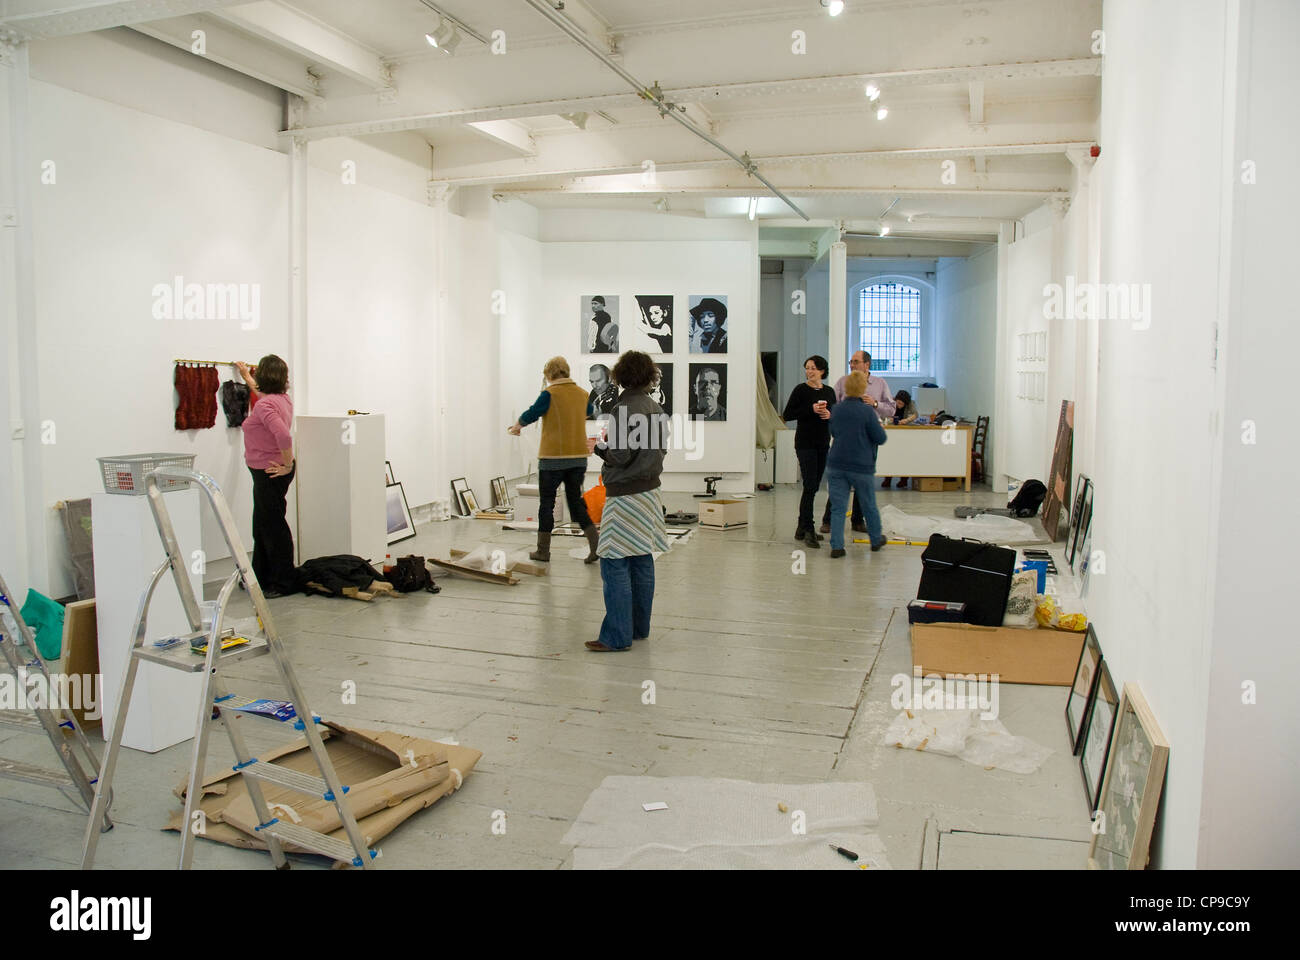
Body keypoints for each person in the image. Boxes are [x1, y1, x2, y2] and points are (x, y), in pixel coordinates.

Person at [585, 351, 668, 652]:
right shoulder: (656, 408)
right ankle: (638, 628)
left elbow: (619, 456)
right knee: (641, 556)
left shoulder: (623, 410)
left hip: (625, 496)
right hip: (650, 493)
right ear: (649, 375)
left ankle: (617, 636)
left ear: (620, 375)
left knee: (613, 559)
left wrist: (597, 449)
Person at [508, 357, 600, 563]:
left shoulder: (549, 394)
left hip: (553, 459)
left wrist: (517, 426)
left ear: (549, 374)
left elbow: (532, 413)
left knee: (546, 504)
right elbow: (589, 412)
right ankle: (595, 544)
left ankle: (543, 551)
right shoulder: (582, 394)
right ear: (566, 372)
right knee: (575, 502)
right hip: (578, 458)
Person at [236, 356, 297, 597]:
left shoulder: (265, 405)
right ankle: (261, 577)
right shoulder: (281, 400)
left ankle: (284, 582)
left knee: (272, 527)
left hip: (270, 472)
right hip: (268, 471)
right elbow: (262, 396)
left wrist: (288, 463)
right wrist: (246, 377)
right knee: (262, 525)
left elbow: (284, 436)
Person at [821, 350, 895, 530]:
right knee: (838, 479)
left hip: (868, 440)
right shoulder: (842, 383)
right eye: (850, 361)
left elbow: (891, 409)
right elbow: (834, 407)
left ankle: (857, 520)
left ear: (867, 365)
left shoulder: (880, 384)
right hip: (844, 439)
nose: (852, 365)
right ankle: (828, 520)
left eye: (855, 361)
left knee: (863, 481)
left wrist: (875, 404)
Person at [826, 371, 888, 558]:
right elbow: (880, 437)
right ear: (862, 388)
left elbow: (834, 432)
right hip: (861, 465)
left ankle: (837, 546)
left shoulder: (836, 410)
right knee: (868, 504)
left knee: (838, 507)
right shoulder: (867, 411)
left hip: (837, 463)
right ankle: (875, 540)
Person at [782, 355, 836, 549]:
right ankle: (809, 528)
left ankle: (801, 527)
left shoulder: (829, 392)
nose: (809, 371)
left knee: (814, 485)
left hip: (822, 442)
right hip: (805, 443)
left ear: (822, 370)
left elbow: (834, 413)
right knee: (810, 486)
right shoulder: (800, 390)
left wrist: (829, 414)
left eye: (813, 368)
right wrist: (810, 409)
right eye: (807, 368)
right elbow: (787, 415)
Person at [881, 389, 919, 488]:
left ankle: (904, 479)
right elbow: (883, 416)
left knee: (905, 456)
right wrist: (889, 419)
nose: (899, 405)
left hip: (905, 433)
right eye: (898, 402)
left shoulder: (910, 404)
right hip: (892, 433)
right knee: (890, 456)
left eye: (902, 404)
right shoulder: (891, 402)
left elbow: (915, 414)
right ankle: (888, 479)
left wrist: (906, 420)